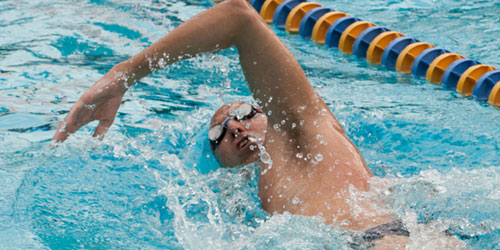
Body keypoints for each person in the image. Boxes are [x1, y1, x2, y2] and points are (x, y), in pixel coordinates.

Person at [52, 0, 461, 248]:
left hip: (390, 242)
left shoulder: (301, 131)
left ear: (270, 110)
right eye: (219, 135)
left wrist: (123, 75)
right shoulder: (248, 205)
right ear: (222, 164)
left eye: (246, 114)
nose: (235, 129)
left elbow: (238, 17)